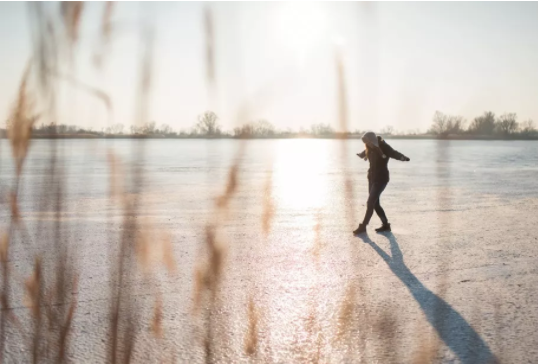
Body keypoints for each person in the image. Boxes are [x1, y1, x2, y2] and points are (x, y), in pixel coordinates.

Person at [353, 131, 410, 235]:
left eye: (368, 142)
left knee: (370, 203)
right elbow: (365, 152)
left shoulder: (383, 146)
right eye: (366, 143)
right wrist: (361, 155)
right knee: (375, 204)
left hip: (381, 179)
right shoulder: (369, 147)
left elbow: (393, 153)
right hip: (371, 178)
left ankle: (363, 226)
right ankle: (386, 225)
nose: (368, 144)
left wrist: (402, 157)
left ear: (373, 140)